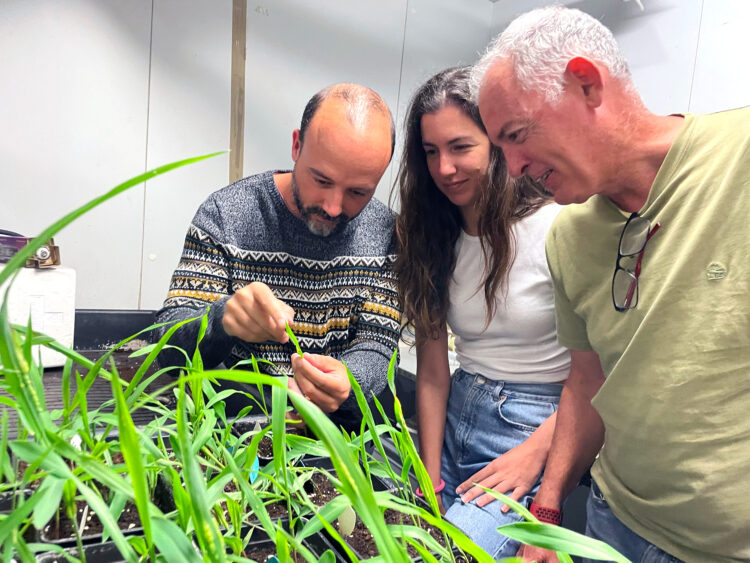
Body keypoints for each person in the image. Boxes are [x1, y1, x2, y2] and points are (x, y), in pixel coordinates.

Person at [472, 6, 750, 563]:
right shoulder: (571, 235)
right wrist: (549, 513)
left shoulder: (737, 159)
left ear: (585, 82)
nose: (513, 166)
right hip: (610, 523)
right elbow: (587, 381)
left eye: (517, 136)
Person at [393, 67, 570, 560]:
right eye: (430, 152)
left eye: (460, 147)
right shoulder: (434, 234)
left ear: (496, 142)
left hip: (533, 426)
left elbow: (601, 373)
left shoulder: (557, 227)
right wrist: (430, 471)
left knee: (445, 553)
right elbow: (431, 370)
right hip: (456, 415)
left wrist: (535, 457)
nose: (444, 168)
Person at [155, 83, 401, 430]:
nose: (333, 207)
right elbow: (166, 343)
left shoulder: (385, 234)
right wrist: (222, 321)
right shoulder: (227, 215)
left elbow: (379, 345)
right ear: (296, 145)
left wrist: (350, 380)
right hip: (230, 434)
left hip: (334, 443)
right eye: (321, 180)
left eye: (358, 192)